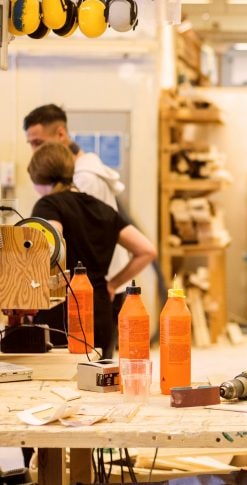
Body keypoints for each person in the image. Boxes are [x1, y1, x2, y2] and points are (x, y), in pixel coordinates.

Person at [27, 141, 157, 355]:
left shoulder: (48, 205)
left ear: (39, 178)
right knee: (97, 382)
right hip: (100, 313)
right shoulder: (103, 209)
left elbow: (52, 239)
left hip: (62, 316)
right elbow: (146, 250)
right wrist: (113, 284)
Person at [24, 103, 134, 353]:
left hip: (77, 300)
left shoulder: (81, 182)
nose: (34, 151)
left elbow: (53, 243)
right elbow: (145, 248)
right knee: (98, 371)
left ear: (61, 135)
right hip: (100, 290)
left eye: (38, 143)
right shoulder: (91, 177)